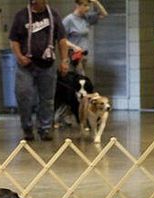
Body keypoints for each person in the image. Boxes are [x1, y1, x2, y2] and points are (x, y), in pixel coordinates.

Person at [9, 0, 69, 141]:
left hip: (47, 65)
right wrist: (19, 56)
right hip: (26, 65)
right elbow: (13, 40)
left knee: (47, 99)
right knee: (24, 95)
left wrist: (64, 61)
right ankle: (27, 127)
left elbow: (62, 40)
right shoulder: (21, 16)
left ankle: (45, 128)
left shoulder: (53, 16)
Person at [62, 0, 108, 75]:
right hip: (74, 54)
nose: (88, 8)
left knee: (81, 77)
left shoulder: (86, 17)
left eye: (88, 6)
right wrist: (74, 47)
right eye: (85, 5)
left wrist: (96, 2)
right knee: (80, 76)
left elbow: (104, 14)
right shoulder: (69, 20)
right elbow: (62, 39)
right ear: (78, 5)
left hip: (84, 53)